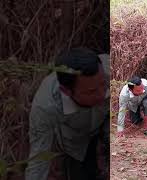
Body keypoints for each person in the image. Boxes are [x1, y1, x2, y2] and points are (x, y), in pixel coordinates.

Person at [25, 48, 108, 180]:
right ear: (66, 91)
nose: (102, 94)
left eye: (104, 84)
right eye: (91, 92)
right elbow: (38, 162)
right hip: (74, 139)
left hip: (106, 120)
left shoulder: (108, 65)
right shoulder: (45, 106)